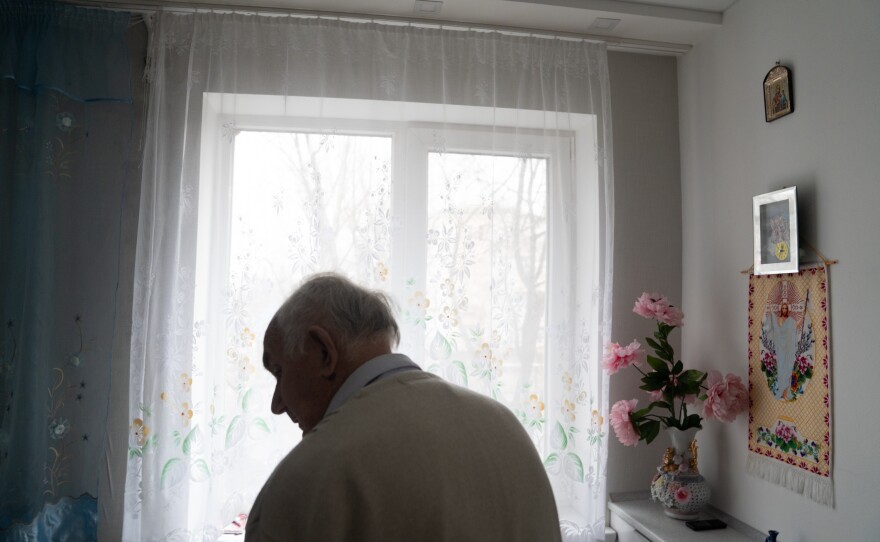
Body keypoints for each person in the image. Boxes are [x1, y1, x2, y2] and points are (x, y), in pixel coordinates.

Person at [245, 273, 561, 542]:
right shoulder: (506, 427)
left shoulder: (306, 480)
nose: (277, 404)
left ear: (325, 352)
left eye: (279, 371)